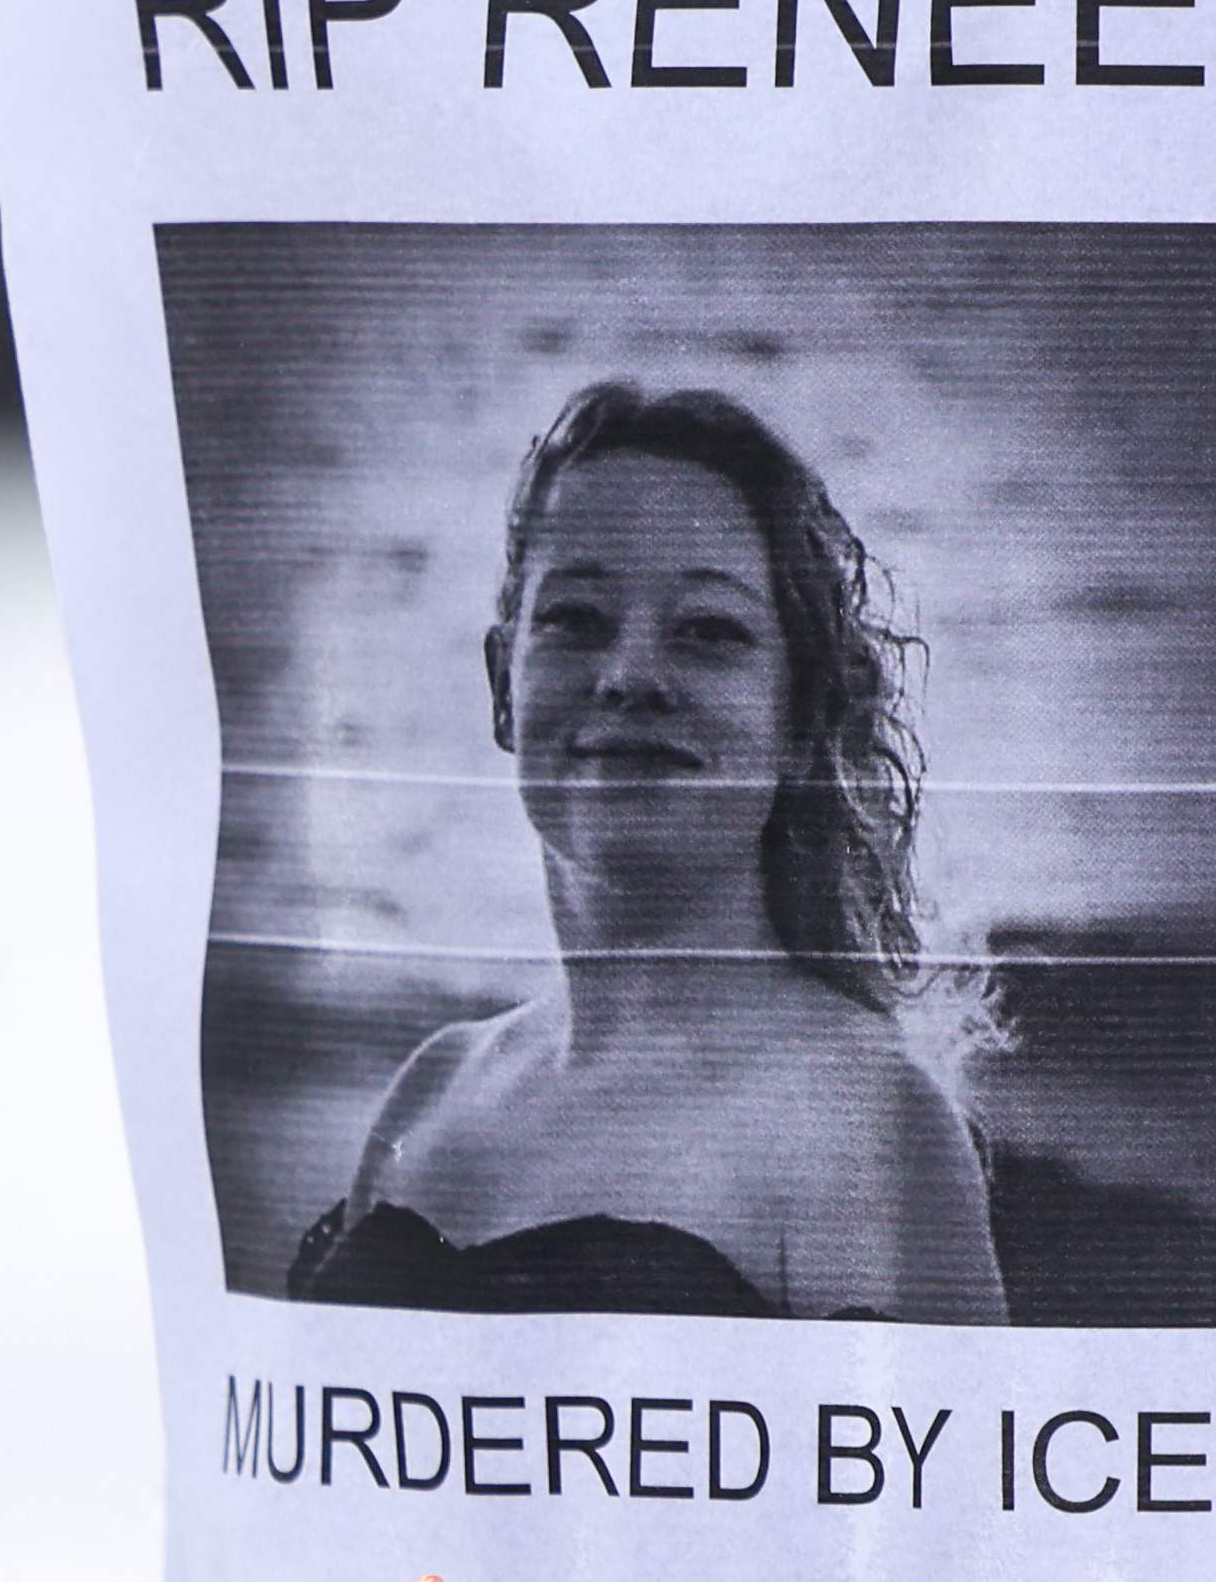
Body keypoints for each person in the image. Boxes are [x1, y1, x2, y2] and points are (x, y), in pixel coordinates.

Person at [292, 376, 1010, 1323]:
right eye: (576, 619)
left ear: (802, 721)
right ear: (502, 687)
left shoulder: (868, 1125)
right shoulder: (432, 1087)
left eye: (708, 631)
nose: (629, 675)